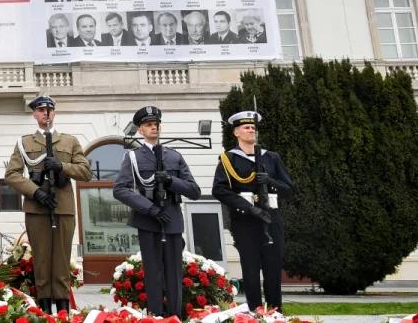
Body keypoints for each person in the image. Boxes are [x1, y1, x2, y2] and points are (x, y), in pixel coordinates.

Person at [4, 96, 90, 316]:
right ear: (34, 114)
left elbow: (85, 172)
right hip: (37, 208)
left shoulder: (69, 141)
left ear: (54, 113)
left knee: (61, 260)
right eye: (41, 110)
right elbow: (12, 175)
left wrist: (62, 166)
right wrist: (36, 192)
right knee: (42, 261)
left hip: (63, 208)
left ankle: (62, 311)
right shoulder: (25, 143)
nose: (46, 113)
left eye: (49, 109)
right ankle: (44, 311)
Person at [114, 106, 202, 318]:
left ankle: (175, 317)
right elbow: (120, 189)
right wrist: (149, 207)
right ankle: (154, 316)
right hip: (148, 220)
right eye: (148, 125)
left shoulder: (174, 156)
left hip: (171, 219)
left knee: (173, 275)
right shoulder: (133, 158)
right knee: (153, 274)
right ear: (140, 130)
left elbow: (194, 191)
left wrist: (171, 180)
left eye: (156, 124)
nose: (153, 127)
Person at [212, 111, 295, 313]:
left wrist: (269, 181)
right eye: (246, 127)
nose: (251, 130)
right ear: (236, 133)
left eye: (253, 127)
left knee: (273, 270)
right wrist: (248, 208)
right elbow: (219, 190)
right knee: (250, 271)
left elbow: (290, 190)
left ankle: (276, 313)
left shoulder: (271, 158)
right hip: (245, 221)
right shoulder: (229, 159)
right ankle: (254, 313)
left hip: (271, 220)